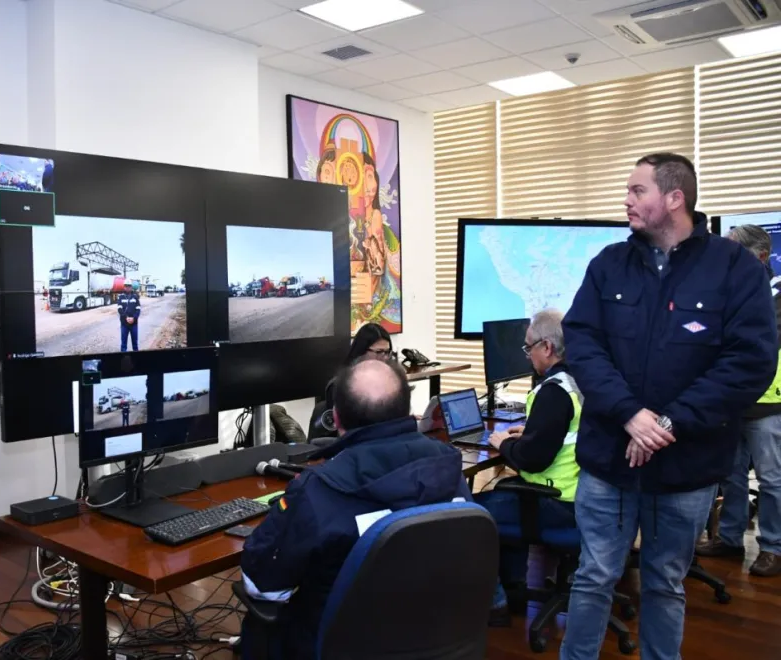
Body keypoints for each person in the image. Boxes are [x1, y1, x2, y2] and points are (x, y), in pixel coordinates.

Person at [560, 153, 778, 660]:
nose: (627, 200)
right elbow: (583, 345)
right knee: (593, 577)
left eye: (638, 191)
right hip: (609, 461)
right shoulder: (608, 264)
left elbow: (749, 363)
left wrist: (667, 422)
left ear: (674, 198)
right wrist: (630, 415)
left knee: (663, 582)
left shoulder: (734, 269)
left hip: (686, 466)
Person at [240, 358, 471, 659]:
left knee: (258, 627)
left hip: (338, 646)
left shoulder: (318, 490)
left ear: (335, 419)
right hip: (436, 636)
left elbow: (262, 587)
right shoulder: (448, 465)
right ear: (406, 409)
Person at [475, 309, 581, 626]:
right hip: (580, 497)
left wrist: (503, 444)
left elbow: (532, 459)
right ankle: (515, 590)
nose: (527, 355)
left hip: (555, 501)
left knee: (474, 512)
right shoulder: (576, 380)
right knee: (503, 499)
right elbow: (562, 435)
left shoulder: (551, 393)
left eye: (528, 347)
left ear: (546, 348)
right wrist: (532, 432)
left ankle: (497, 602)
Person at [696, 224, 781, 577]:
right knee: (730, 475)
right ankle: (729, 538)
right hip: (731, 402)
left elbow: (759, 343)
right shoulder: (729, 291)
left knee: (772, 479)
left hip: (768, 403)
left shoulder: (775, 294)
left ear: (759, 256)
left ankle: (773, 547)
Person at [307, 322, 394, 441]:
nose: (384, 358)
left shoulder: (390, 380)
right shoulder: (342, 384)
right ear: (362, 351)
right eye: (379, 352)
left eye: (387, 352)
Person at [117, 282, 140, 352]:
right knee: (123, 344)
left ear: (131, 287)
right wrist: (126, 317)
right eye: (126, 286)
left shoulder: (135, 297)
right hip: (124, 324)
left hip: (134, 324)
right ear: (124, 287)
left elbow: (138, 309)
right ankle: (123, 360)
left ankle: (136, 361)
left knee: (135, 344)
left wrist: (134, 318)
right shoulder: (121, 297)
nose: (128, 287)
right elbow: (119, 309)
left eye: (129, 286)